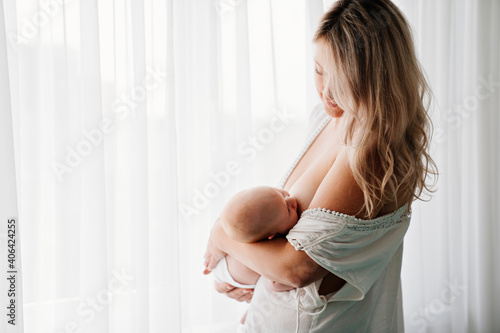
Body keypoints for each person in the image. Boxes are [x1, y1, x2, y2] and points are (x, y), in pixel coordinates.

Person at [204, 0, 437, 331]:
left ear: (376, 77)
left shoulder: (370, 151)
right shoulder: (329, 119)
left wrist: (222, 237)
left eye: (340, 77)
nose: (326, 91)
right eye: (318, 70)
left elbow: (297, 269)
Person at [212, 186, 299, 289]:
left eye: (281, 193)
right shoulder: (270, 251)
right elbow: (275, 284)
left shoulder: (269, 213)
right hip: (226, 273)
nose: (292, 200)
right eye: (288, 210)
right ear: (272, 235)